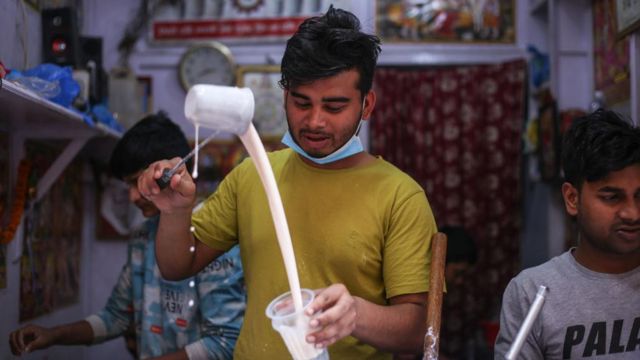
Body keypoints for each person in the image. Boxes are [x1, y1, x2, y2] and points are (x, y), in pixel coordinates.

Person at [137, 6, 438, 359]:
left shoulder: (399, 196)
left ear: (366, 105)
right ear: (284, 97)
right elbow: (177, 266)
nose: (314, 121)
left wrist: (356, 315)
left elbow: (420, 330)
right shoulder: (253, 176)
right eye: (301, 102)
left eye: (334, 106)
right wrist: (174, 212)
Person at [8, 112, 246, 359]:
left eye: (137, 183)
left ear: (169, 174)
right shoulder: (143, 236)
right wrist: (53, 335)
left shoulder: (211, 235)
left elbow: (225, 341)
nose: (132, 197)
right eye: (128, 186)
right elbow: (118, 316)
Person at [494, 109, 640, 359]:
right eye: (612, 197)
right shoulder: (532, 292)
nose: (632, 214)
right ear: (572, 198)